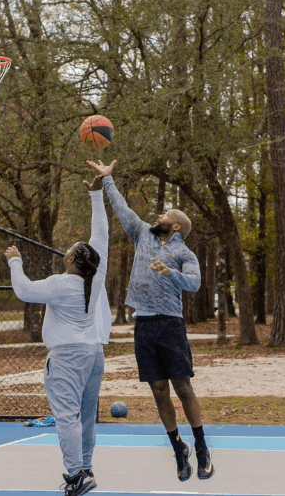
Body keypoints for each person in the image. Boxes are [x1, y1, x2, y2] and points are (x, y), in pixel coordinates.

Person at [87, 159, 214, 482]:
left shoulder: (185, 254)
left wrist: (168, 272)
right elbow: (123, 209)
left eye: (165, 216)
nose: (158, 216)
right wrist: (108, 179)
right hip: (144, 325)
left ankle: (201, 448)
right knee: (158, 391)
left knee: (182, 387)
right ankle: (178, 450)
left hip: (170, 324)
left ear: (175, 227)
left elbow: (195, 283)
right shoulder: (142, 233)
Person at [4, 172, 111, 496]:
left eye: (70, 250)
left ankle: (77, 475)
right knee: (85, 418)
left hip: (67, 357)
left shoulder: (61, 284)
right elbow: (101, 235)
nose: (66, 251)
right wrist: (96, 196)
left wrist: (15, 262)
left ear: (73, 261)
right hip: (94, 355)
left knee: (66, 417)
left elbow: (23, 291)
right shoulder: (96, 275)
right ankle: (86, 468)